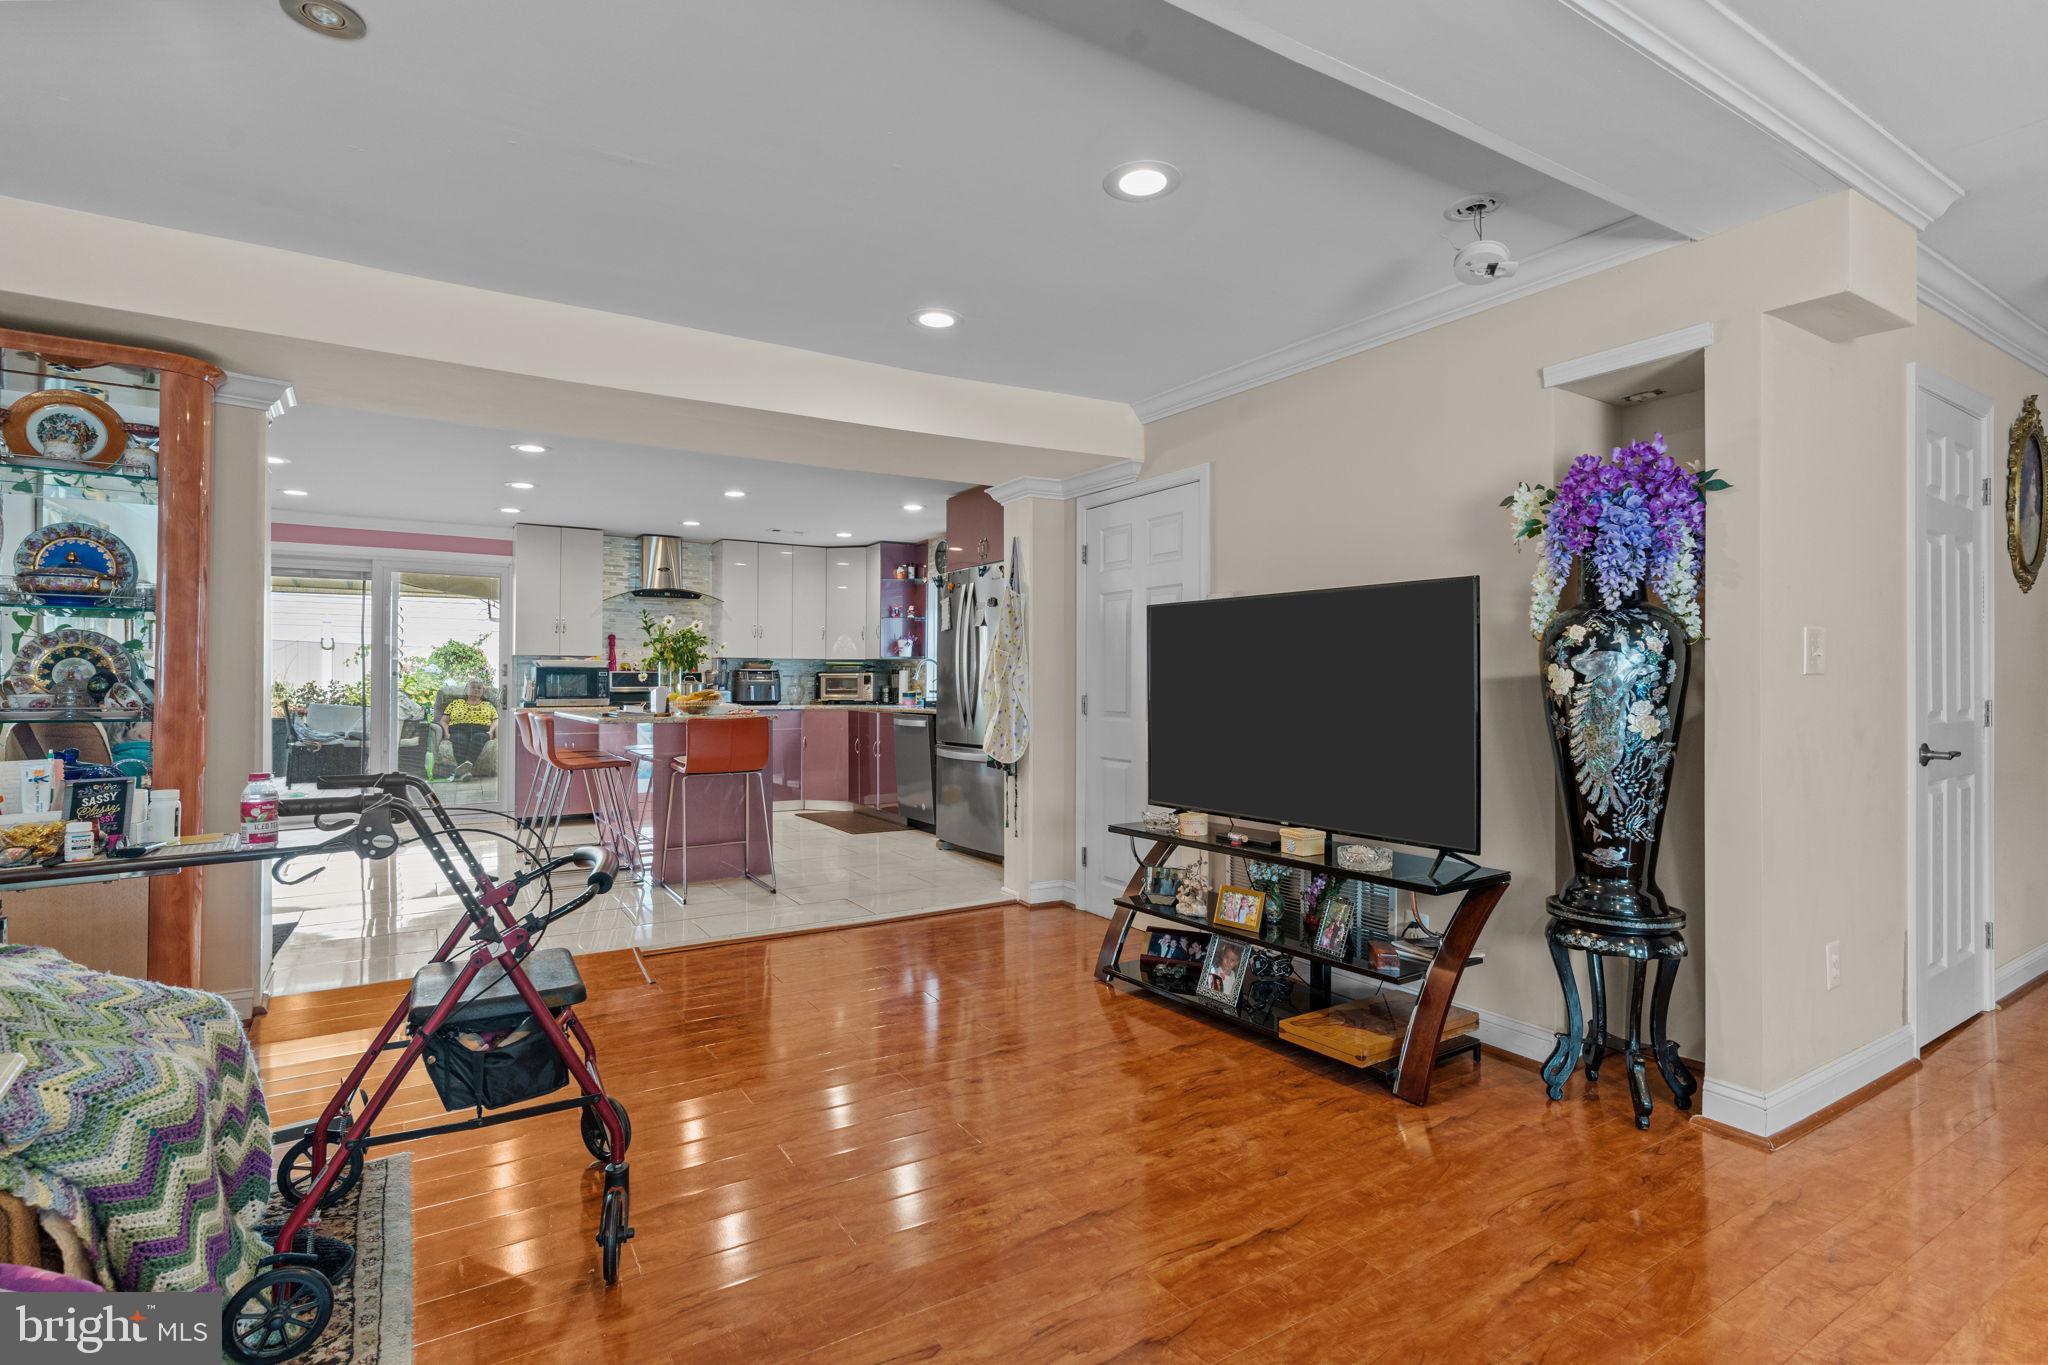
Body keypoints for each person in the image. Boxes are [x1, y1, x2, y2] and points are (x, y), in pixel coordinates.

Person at [443, 679, 497, 778]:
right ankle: (465, 772)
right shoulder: (455, 703)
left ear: (483, 691)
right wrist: (446, 733)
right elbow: (444, 721)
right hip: (458, 729)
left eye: (479, 688)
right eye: (473, 687)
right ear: (467, 690)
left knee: (479, 737)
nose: (476, 689)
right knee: (459, 739)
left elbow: (496, 720)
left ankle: (464, 770)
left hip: (481, 729)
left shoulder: (488, 705)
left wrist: (491, 731)